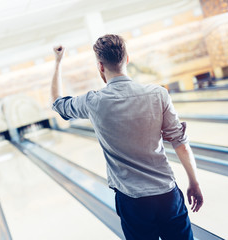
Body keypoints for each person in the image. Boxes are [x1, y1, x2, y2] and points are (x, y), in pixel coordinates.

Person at [51, 34, 203, 240]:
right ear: (127, 59)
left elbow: (57, 103)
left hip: (132, 201)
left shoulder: (93, 102)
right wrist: (194, 183)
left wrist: (58, 62)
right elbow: (180, 144)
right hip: (167, 194)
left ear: (100, 66)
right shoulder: (158, 94)